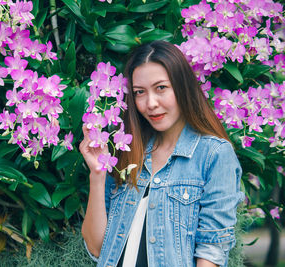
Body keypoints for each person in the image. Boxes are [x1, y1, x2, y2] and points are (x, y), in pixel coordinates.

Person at [79, 40, 244, 267]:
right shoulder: (127, 151)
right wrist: (97, 172)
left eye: (161, 88)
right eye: (139, 92)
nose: (151, 103)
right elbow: (97, 248)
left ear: (182, 86)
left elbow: (212, 251)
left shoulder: (214, 154)